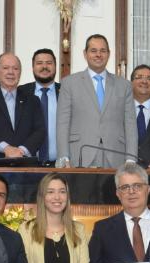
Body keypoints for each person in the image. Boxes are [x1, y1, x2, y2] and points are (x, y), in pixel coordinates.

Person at [56, 34, 137, 168]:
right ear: (85, 54)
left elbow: (130, 125)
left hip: (116, 155)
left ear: (108, 54)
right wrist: (64, 156)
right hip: (79, 154)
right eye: (93, 51)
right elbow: (62, 123)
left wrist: (131, 158)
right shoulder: (69, 83)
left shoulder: (124, 85)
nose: (98, 55)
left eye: (103, 51)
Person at [0, 53, 45, 159]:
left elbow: (40, 130)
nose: (11, 72)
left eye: (15, 68)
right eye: (5, 68)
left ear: (20, 73)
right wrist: (6, 148)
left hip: (24, 161)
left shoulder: (32, 100)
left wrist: (22, 151)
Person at [18, 49, 60, 165]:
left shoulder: (66, 92)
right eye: (39, 63)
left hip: (60, 164)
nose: (44, 67)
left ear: (55, 66)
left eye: (49, 63)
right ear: (33, 67)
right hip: (26, 163)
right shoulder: (20, 92)